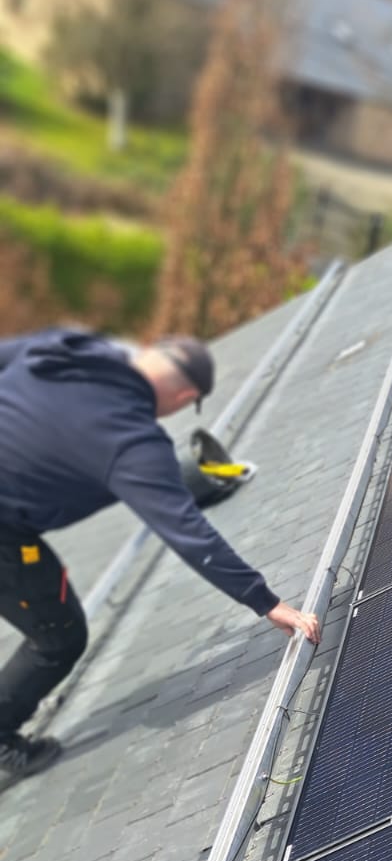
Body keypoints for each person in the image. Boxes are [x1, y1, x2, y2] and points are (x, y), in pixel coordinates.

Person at [0, 328, 321, 782]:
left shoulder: (70, 348)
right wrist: (267, 602)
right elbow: (187, 533)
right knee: (59, 636)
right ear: (186, 394)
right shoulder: (130, 439)